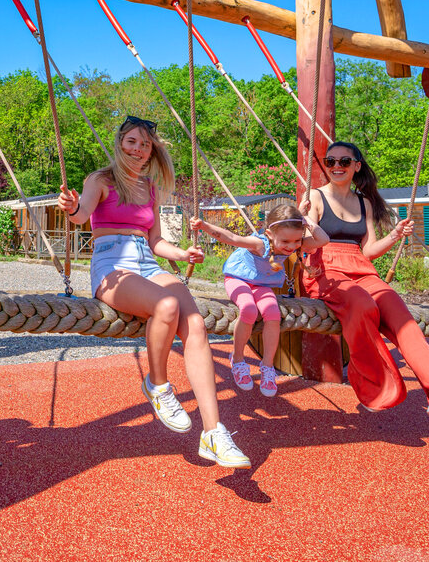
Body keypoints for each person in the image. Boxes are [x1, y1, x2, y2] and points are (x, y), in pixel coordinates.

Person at [58, 115, 250, 469]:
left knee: (194, 324)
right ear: (119, 142)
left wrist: (182, 254)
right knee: (165, 305)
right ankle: (158, 385)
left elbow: (156, 240)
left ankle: (213, 431)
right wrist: (72, 209)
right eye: (132, 141)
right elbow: (82, 214)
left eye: (145, 145)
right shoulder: (100, 180)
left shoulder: (150, 188)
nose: (138, 149)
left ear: (151, 152)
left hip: (147, 263)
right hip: (113, 266)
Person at [303, 141, 429, 426]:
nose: (337, 167)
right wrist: (304, 221)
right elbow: (300, 243)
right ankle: (374, 382)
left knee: (400, 315)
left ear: (357, 166)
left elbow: (366, 250)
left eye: (344, 162)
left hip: (361, 268)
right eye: (331, 162)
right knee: (362, 304)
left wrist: (395, 236)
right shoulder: (314, 199)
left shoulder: (363, 202)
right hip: (325, 271)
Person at [192, 202, 328, 396]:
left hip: (262, 284)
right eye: (286, 242)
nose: (292, 247)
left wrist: (306, 220)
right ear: (271, 234)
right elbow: (231, 237)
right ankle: (238, 359)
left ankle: (267, 366)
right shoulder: (260, 244)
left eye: (297, 241)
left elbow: (323, 239)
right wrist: (204, 226)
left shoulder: (294, 241)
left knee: (272, 313)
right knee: (248, 308)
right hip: (238, 278)